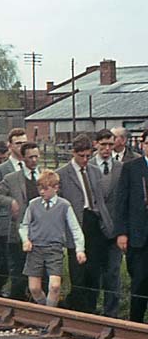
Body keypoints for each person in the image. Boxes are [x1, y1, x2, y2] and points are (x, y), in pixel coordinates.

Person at [57, 134, 112, 313]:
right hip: (76, 224)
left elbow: (100, 199)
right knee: (78, 271)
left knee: (93, 271)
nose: (85, 160)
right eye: (81, 156)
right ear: (73, 153)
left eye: (88, 156)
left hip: (94, 222)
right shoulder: (63, 174)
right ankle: (79, 310)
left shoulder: (94, 171)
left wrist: (105, 222)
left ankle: (91, 308)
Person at [0, 141, 43, 300]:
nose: (34, 160)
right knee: (18, 274)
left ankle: (38, 307)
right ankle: (17, 304)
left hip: (40, 233)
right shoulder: (12, 178)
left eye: (36, 157)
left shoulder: (44, 176)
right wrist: (10, 202)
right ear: (23, 158)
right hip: (18, 232)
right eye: (30, 157)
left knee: (40, 274)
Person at [19, 170, 85, 308]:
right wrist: (25, 240)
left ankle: (50, 313)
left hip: (54, 249)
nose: (42, 192)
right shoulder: (33, 204)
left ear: (55, 188)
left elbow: (75, 228)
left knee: (54, 286)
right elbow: (24, 225)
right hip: (35, 248)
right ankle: (44, 308)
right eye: (40, 189)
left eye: (45, 189)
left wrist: (80, 249)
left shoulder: (64, 205)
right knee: (34, 288)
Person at [0, 128, 29, 295]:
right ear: (10, 146)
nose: (22, 146)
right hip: (5, 223)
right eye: (18, 143)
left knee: (22, 264)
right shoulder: (1, 170)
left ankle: (21, 295)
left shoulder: (30, 166)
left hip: (26, 223)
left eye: (24, 143)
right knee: (3, 265)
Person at [115, 128, 148, 322]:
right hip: (138, 235)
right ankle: (135, 323)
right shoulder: (131, 168)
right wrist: (121, 232)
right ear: (142, 145)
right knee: (140, 281)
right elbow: (121, 202)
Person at [92, 128, 124, 317]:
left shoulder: (121, 168)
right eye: (103, 145)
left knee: (113, 273)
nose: (107, 149)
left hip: (114, 229)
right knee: (94, 272)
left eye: (110, 145)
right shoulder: (88, 168)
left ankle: (112, 313)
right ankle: (92, 311)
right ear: (96, 144)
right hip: (95, 229)